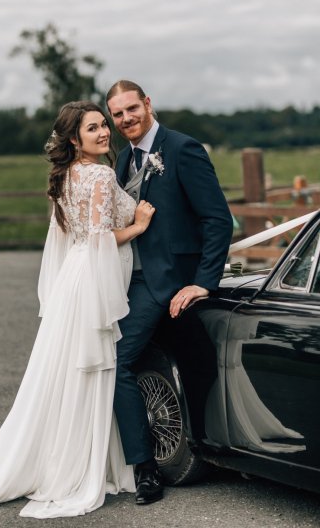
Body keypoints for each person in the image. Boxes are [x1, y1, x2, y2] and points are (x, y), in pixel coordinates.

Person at [0, 101, 155, 519]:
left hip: (73, 280)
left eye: (104, 125)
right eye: (93, 129)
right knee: (93, 370)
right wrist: (138, 226)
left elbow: (72, 238)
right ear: (74, 139)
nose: (105, 132)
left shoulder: (66, 177)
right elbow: (100, 239)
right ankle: (80, 468)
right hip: (92, 282)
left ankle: (66, 460)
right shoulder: (101, 174)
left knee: (67, 372)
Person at [106, 80, 234, 505]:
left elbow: (217, 218)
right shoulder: (123, 159)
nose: (126, 119)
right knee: (115, 356)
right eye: (117, 114)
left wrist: (203, 282)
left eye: (131, 109)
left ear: (148, 104)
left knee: (118, 359)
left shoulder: (183, 149)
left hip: (166, 282)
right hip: (129, 281)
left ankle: (146, 471)